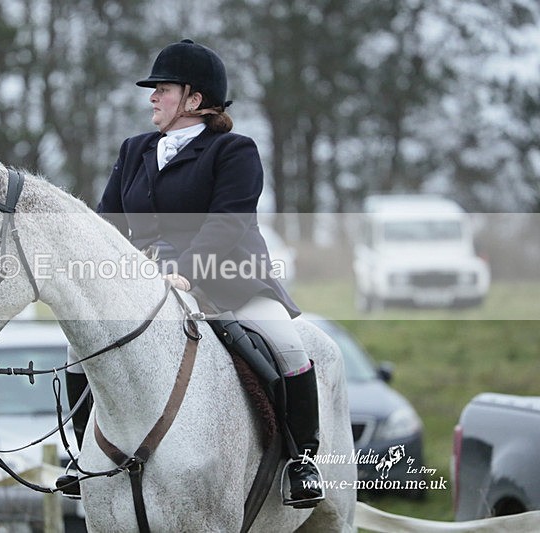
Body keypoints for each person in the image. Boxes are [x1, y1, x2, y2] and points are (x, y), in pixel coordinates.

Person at [58, 39, 323, 508]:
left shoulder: (234, 150)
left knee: (287, 345)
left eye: (162, 89)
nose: (152, 98)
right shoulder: (135, 149)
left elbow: (228, 221)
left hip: (231, 282)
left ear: (193, 100)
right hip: (148, 290)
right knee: (81, 349)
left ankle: (302, 460)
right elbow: (109, 222)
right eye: (154, 90)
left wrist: (184, 270)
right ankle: (84, 456)